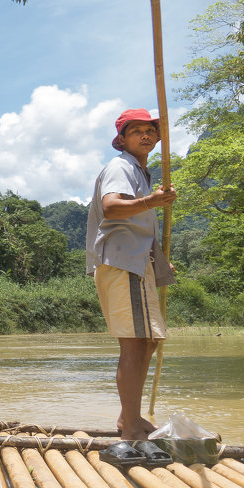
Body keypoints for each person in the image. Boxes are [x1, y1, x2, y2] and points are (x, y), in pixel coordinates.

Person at [86, 108, 177, 441]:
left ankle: (131, 418)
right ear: (122, 139)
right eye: (137, 131)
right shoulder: (121, 167)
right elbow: (111, 207)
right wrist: (152, 202)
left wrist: (159, 261)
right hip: (123, 264)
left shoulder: (140, 172)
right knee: (135, 345)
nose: (146, 135)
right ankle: (131, 430)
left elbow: (138, 227)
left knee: (148, 342)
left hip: (137, 264)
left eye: (150, 130)